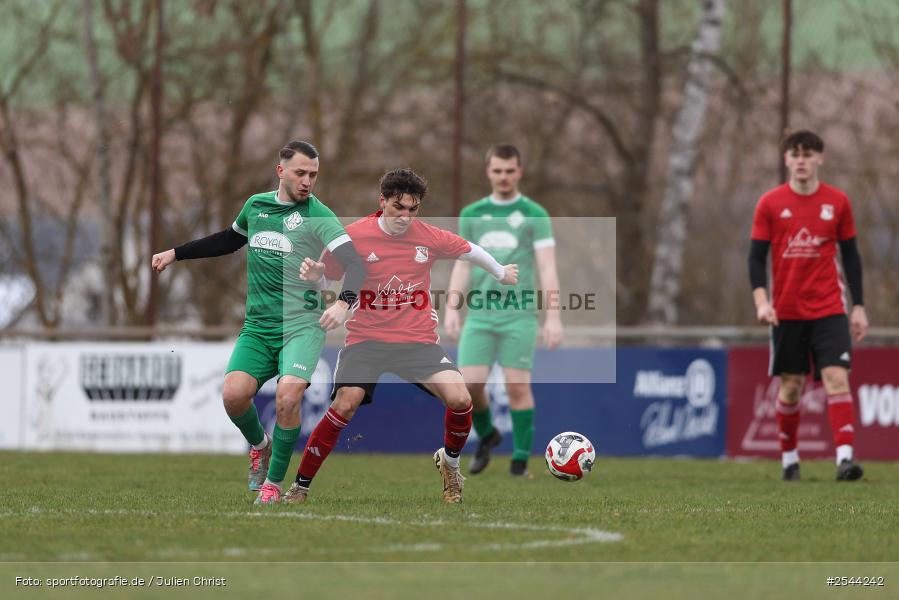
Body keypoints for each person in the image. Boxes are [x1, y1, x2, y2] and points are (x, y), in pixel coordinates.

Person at [281, 168, 518, 504]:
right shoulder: (354, 236)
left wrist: (500, 271)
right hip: (367, 341)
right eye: (398, 207)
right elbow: (325, 280)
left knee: (462, 400)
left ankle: (450, 467)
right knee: (345, 405)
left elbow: (469, 249)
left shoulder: (428, 236)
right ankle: (300, 487)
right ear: (382, 202)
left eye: (413, 209)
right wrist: (316, 278)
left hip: (417, 342)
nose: (405, 216)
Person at [151, 140, 365, 504]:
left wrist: (344, 305)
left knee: (288, 397)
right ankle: (259, 446)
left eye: (313, 175)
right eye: (300, 173)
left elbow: (357, 264)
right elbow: (228, 241)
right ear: (280, 171)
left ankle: (273, 485)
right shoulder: (256, 206)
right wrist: (176, 253)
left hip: (302, 325)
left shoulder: (319, 214)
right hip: (259, 326)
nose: (307, 181)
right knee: (234, 396)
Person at [748, 129, 868, 482]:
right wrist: (761, 301)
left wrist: (858, 306)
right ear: (786, 159)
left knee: (835, 376)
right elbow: (755, 258)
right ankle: (789, 459)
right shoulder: (769, 203)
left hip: (830, 307)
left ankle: (845, 460)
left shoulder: (838, 202)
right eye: (795, 154)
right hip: (785, 311)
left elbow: (851, 256)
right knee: (792, 387)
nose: (801, 160)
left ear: (820, 159)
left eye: (808, 153)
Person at [443, 144, 563, 477]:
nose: (504, 177)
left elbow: (548, 268)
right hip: (479, 314)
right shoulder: (472, 214)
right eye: (497, 170)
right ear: (488, 172)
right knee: (469, 386)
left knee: (516, 387)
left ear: (519, 172)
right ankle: (488, 435)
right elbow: (462, 266)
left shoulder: (535, 215)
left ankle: (520, 462)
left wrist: (553, 316)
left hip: (519, 314)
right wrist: (452, 307)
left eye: (510, 170)